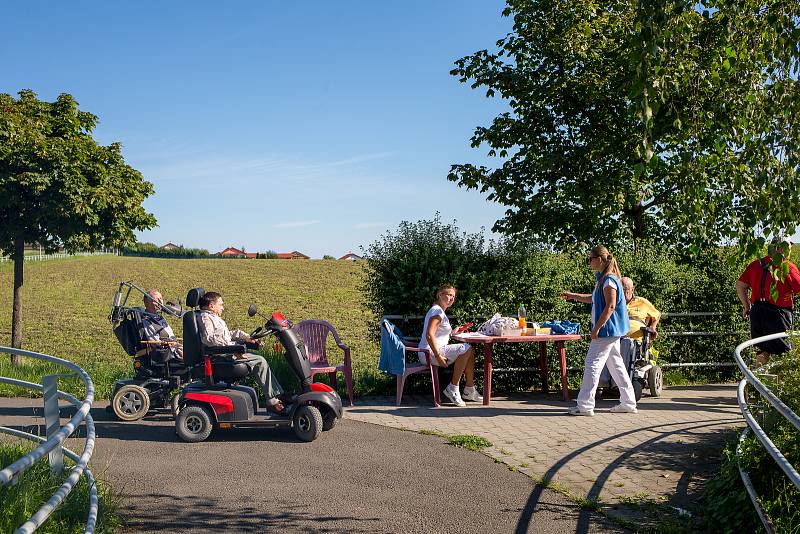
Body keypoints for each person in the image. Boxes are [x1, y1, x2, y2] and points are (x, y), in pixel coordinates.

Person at [560, 245, 638, 416]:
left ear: (600, 260)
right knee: (616, 366)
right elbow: (594, 299)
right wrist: (573, 295)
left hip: (607, 331)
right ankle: (628, 402)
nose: (589, 262)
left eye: (591, 259)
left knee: (592, 365)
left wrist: (596, 329)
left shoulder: (609, 280)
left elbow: (610, 306)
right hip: (612, 331)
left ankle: (585, 406)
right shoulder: (604, 279)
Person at [198, 291, 286, 414]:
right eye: (221, 304)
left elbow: (226, 335)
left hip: (226, 353)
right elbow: (209, 339)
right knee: (260, 361)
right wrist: (234, 346)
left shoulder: (212, 317)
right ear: (211, 306)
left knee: (259, 359)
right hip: (222, 356)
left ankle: (277, 396)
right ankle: (272, 401)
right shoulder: (205, 318)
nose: (222, 307)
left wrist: (246, 337)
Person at [736, 237, 800, 366]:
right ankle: (782, 386)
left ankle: (756, 384)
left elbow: (740, 285)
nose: (790, 250)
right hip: (778, 314)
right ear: (781, 248)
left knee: (761, 352)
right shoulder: (786, 266)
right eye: (789, 247)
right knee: (785, 354)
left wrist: (747, 307)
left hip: (757, 313)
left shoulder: (756, 264)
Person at [419, 284, 482, 407]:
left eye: (453, 296)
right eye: (448, 295)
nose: (451, 298)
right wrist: (438, 356)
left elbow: (438, 334)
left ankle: (469, 389)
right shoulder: (437, 311)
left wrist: (453, 332)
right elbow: (429, 335)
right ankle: (452, 387)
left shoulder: (438, 310)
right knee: (467, 348)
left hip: (432, 351)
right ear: (440, 294)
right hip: (429, 353)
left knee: (470, 350)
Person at [140, 289, 183, 360]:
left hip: (175, 347)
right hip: (166, 353)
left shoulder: (159, 317)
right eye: (156, 300)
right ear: (147, 303)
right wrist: (174, 347)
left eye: (161, 299)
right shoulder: (146, 321)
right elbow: (155, 343)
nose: (160, 302)